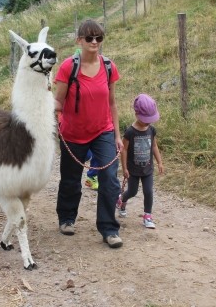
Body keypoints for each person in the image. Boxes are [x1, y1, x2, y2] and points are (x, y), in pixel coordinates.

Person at [54, 19, 124, 248]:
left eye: (99, 38)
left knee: (110, 179)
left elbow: (112, 103)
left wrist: (116, 134)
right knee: (71, 180)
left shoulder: (109, 67)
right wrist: (55, 120)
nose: (94, 42)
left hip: (103, 130)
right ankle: (66, 218)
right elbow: (58, 101)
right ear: (79, 41)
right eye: (89, 38)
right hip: (73, 133)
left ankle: (109, 228)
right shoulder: (68, 67)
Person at [117, 93, 164, 229]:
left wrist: (159, 162)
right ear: (137, 115)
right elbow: (124, 150)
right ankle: (122, 199)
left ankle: (147, 216)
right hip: (133, 170)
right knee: (132, 192)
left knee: (148, 191)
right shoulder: (130, 132)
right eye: (146, 119)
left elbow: (154, 146)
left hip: (148, 169)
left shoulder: (151, 130)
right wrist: (124, 168)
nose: (149, 122)